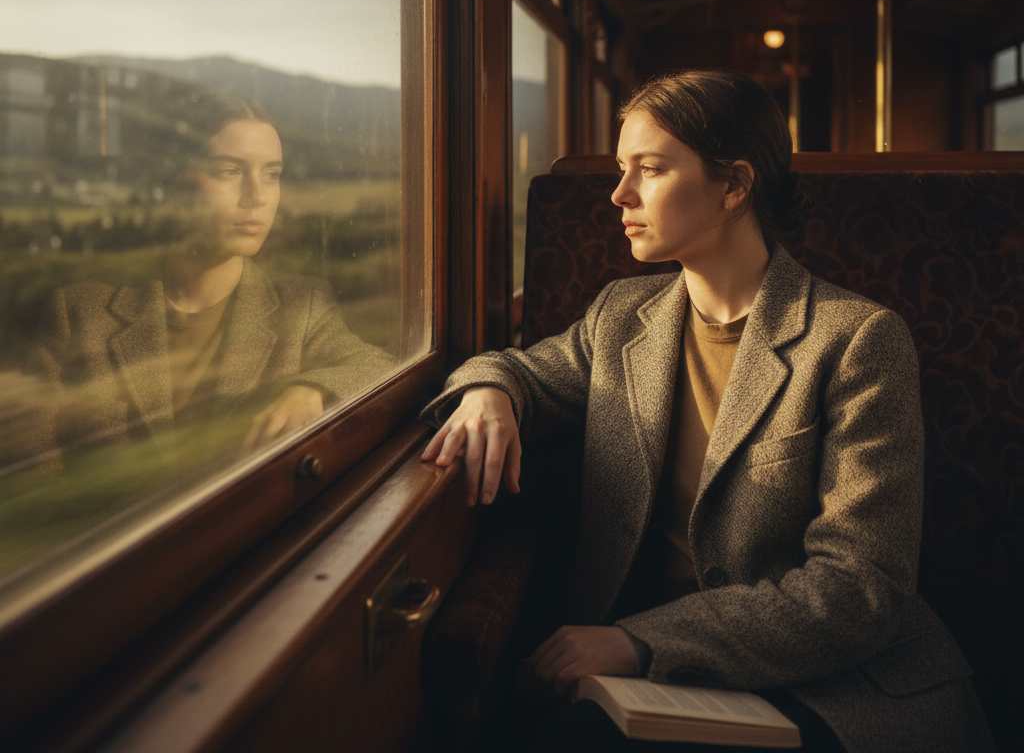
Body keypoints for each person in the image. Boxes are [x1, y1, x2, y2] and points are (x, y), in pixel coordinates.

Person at [420, 70, 993, 753]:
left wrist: (639, 641)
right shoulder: (621, 316)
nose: (619, 194)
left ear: (734, 186)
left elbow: (859, 586)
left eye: (650, 170)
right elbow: (518, 371)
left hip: (830, 686)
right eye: (620, 169)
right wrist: (490, 394)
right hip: (657, 685)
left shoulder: (857, 340)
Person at [30, 89, 393, 461]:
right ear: (176, 184)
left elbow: (379, 367)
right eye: (229, 171)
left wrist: (312, 388)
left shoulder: (302, 306)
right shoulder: (80, 312)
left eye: (271, 174)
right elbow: (33, 475)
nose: (257, 196)